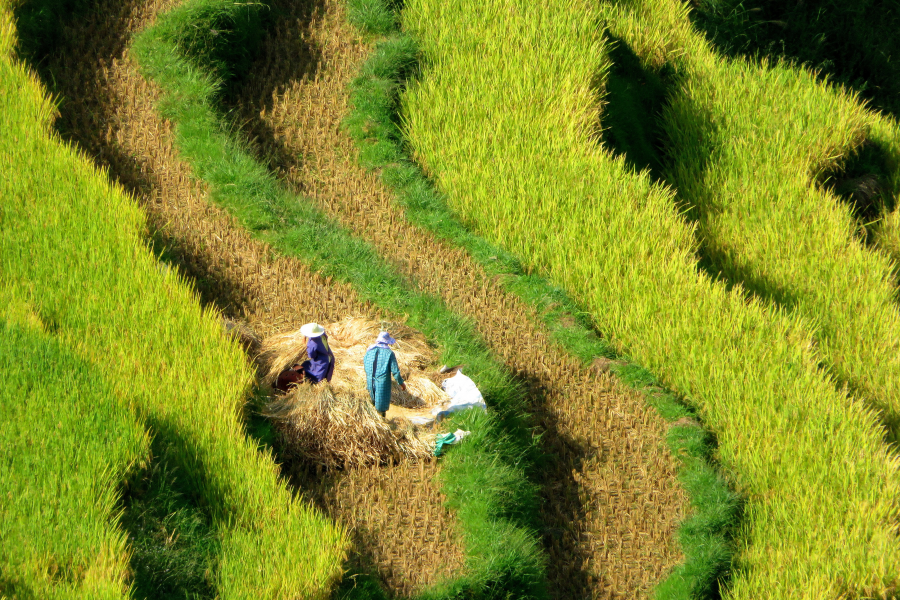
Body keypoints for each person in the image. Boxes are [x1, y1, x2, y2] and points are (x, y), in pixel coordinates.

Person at [363, 331, 406, 418]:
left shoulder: (370, 350)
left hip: (370, 381)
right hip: (382, 383)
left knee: (372, 405)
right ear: (387, 341)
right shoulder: (389, 353)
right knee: (381, 408)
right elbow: (395, 372)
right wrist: (401, 383)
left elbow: (365, 364)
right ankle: (382, 423)